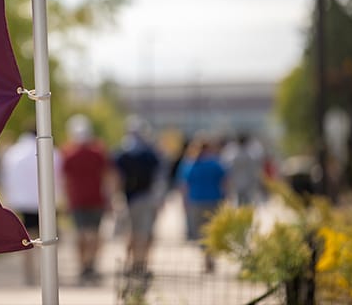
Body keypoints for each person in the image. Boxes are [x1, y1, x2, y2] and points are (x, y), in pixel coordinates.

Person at [0, 125, 61, 285]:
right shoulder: (51, 150)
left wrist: (8, 201)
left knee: (27, 239)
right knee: (48, 239)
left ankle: (29, 274)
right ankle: (46, 273)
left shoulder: (13, 152)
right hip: (46, 202)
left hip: (22, 202)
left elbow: (6, 179)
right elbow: (58, 176)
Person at [113, 116, 167, 278]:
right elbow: (160, 177)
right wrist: (160, 199)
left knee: (131, 233)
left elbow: (117, 178)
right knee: (144, 234)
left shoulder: (122, 152)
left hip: (130, 199)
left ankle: (132, 264)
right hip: (146, 198)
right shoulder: (151, 152)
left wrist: (116, 198)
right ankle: (141, 264)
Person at [60, 114, 112, 284]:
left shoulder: (68, 153)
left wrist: (65, 200)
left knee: (81, 234)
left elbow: (64, 180)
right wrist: (110, 198)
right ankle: (91, 264)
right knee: (94, 234)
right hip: (96, 199)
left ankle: (83, 265)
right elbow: (107, 176)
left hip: (77, 200)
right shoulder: (98, 151)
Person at [179, 137, 227, 272]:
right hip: (214, 200)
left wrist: (184, 201)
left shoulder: (190, 164)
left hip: (196, 201)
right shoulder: (216, 164)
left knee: (200, 232)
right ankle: (210, 257)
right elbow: (225, 182)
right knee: (212, 230)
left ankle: (206, 258)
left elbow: (184, 185)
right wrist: (225, 198)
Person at [220, 133, 264, 206]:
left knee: (238, 201)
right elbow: (254, 170)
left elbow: (227, 168)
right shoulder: (250, 155)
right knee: (248, 201)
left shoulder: (232, 155)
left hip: (236, 182)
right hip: (247, 182)